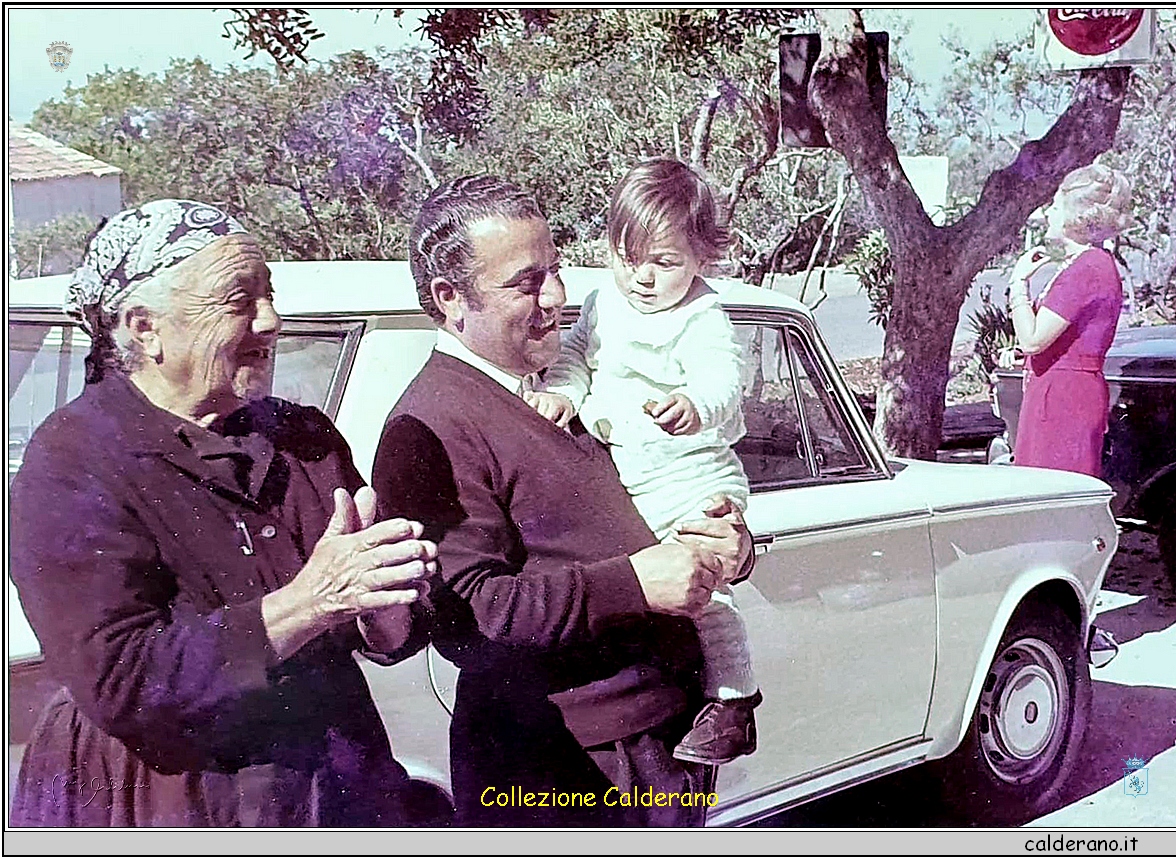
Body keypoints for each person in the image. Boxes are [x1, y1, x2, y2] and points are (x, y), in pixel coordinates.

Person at [9, 200, 443, 827]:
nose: (270, 320)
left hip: (331, 786)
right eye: (240, 300)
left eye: (269, 294)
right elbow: (124, 681)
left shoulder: (302, 436)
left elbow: (372, 615)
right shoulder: (74, 461)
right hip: (167, 802)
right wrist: (311, 602)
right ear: (144, 327)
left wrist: (386, 599)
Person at [372, 175, 753, 826]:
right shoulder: (430, 428)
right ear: (449, 297)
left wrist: (727, 546)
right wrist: (636, 581)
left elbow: (652, 500)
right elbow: (473, 616)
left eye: (555, 270)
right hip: (561, 771)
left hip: (658, 745)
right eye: (527, 282)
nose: (556, 296)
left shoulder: (560, 387)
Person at [525, 158, 760, 766]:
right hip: (629, 466)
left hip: (688, 467)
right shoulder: (604, 302)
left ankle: (735, 700)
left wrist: (693, 403)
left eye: (665, 262)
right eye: (629, 257)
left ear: (701, 257)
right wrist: (565, 394)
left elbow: (724, 379)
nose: (643, 278)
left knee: (703, 582)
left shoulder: (704, 316)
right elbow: (576, 357)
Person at [1004, 163, 1131, 477]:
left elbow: (1032, 339)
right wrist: (1024, 355)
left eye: (1055, 206)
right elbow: (1065, 338)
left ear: (1077, 216)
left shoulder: (1087, 268)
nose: (1047, 212)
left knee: (1050, 497)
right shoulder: (1088, 264)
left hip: (1063, 399)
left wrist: (1018, 283)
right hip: (1061, 391)